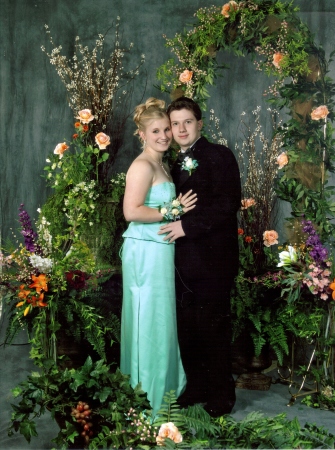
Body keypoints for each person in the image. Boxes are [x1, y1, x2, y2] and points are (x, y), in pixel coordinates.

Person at [158, 96, 241, 417]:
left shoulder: (219, 156)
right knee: (187, 328)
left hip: (213, 261)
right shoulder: (172, 161)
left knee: (213, 327)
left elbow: (226, 204)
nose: (180, 129)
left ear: (200, 124)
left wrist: (185, 228)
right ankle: (197, 386)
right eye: (175, 123)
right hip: (180, 263)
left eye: (187, 122)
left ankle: (223, 394)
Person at [120, 97, 197, 415]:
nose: (165, 135)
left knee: (161, 321)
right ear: (142, 134)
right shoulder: (141, 165)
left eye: (167, 129)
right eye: (157, 131)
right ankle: (147, 400)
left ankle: (162, 393)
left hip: (160, 251)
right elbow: (130, 211)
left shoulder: (160, 164)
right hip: (146, 253)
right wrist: (172, 209)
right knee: (148, 322)